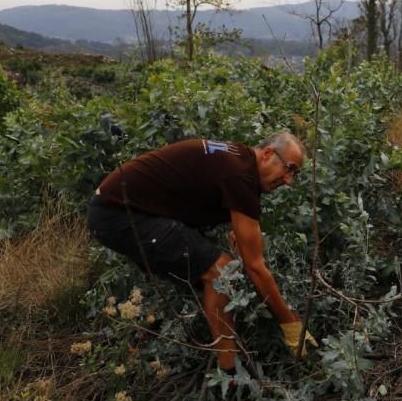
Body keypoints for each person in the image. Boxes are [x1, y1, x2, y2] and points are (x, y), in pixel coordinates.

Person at [86, 133, 318, 375]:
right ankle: (228, 377)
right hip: (117, 214)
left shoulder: (240, 160)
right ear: (268, 153)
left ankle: (156, 338)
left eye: (295, 174)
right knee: (221, 272)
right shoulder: (240, 175)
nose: (289, 180)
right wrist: (290, 324)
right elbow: (256, 267)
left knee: (214, 268)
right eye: (289, 168)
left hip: (118, 209)